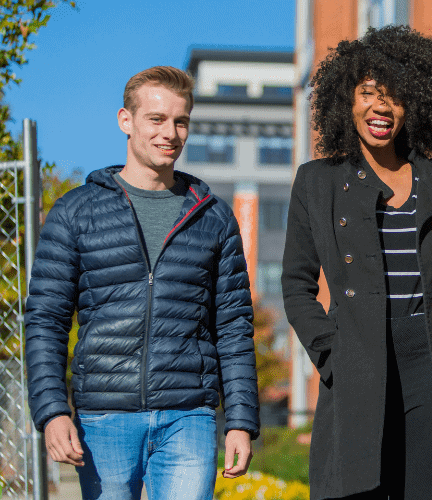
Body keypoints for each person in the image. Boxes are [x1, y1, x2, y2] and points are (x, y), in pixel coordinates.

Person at [282, 25, 432, 500]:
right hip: (358, 355)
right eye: (368, 93)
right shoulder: (317, 183)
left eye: (395, 97)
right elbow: (296, 285)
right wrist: (329, 352)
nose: (381, 107)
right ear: (347, 99)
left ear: (415, 105)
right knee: (359, 487)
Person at [25, 66, 259, 500]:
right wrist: (53, 411)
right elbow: (46, 319)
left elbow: (233, 327)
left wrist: (241, 421)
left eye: (181, 120)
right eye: (156, 119)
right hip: (103, 418)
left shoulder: (214, 217)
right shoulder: (76, 212)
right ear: (125, 120)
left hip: (189, 417)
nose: (170, 132)